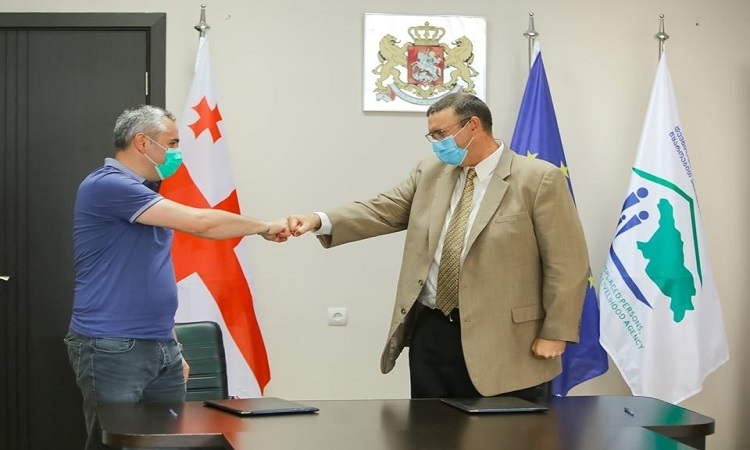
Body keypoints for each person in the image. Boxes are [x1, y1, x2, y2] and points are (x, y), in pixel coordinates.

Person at [288, 93, 590, 400]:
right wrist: (317, 220)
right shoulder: (430, 172)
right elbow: (382, 209)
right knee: (429, 425)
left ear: (473, 126)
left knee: (502, 427)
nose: (435, 143)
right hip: (433, 332)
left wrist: (556, 332)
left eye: (440, 134)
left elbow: (567, 263)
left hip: (507, 340)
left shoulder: (538, 179)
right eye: (431, 136)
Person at [63, 105, 289, 450]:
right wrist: (265, 226)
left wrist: (170, 345)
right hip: (112, 345)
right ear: (142, 142)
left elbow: (149, 273)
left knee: (168, 442)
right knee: (114, 443)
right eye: (171, 143)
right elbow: (202, 223)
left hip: (159, 345)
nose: (177, 152)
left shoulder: (146, 192)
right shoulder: (108, 185)